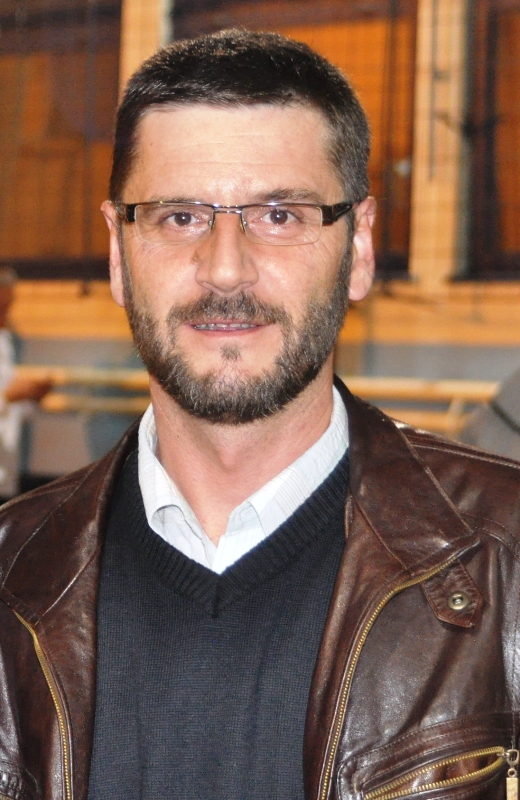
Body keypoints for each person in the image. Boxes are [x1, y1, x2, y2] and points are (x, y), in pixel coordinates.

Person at [1, 29, 519, 800]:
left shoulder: (506, 565)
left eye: (280, 214)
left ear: (360, 247)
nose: (225, 268)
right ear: (118, 251)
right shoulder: (11, 578)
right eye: (180, 216)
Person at [0, 266, 52, 501]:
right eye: (1, 307)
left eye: (7, 306)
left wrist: (32, 396)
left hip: (6, 475)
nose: (5, 314)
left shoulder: (6, 341)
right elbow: (7, 397)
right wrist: (9, 397)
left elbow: (14, 413)